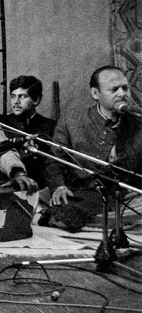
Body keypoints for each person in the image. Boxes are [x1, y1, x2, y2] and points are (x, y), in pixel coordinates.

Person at [41, 66, 142, 231]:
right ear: (95, 94)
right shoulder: (72, 120)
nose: (122, 94)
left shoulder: (136, 121)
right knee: (52, 211)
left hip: (118, 193)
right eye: (114, 89)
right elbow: (53, 161)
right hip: (78, 190)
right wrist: (58, 186)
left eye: (125, 88)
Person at [0, 75, 56, 188]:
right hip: (8, 187)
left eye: (22, 96)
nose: (16, 102)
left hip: (39, 187)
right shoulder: (1, 124)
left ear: (36, 100)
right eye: (13, 96)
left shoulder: (50, 126)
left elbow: (52, 164)